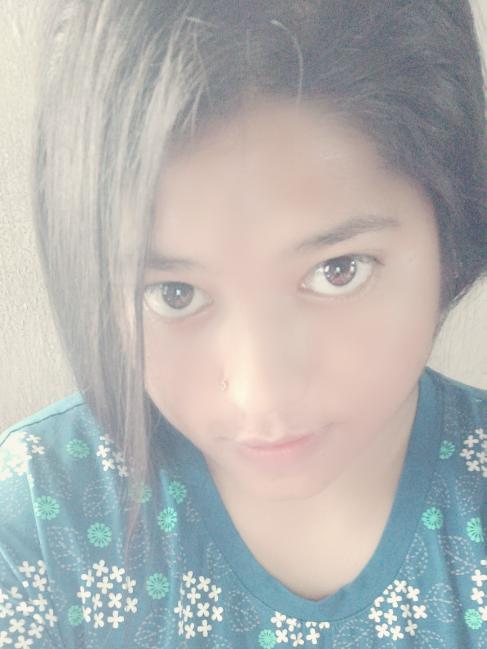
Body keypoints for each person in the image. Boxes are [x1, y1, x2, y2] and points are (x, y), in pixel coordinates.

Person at [1, 0, 486, 646]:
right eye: (175, 293)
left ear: (450, 230)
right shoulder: (41, 514)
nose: (263, 396)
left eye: (337, 270)